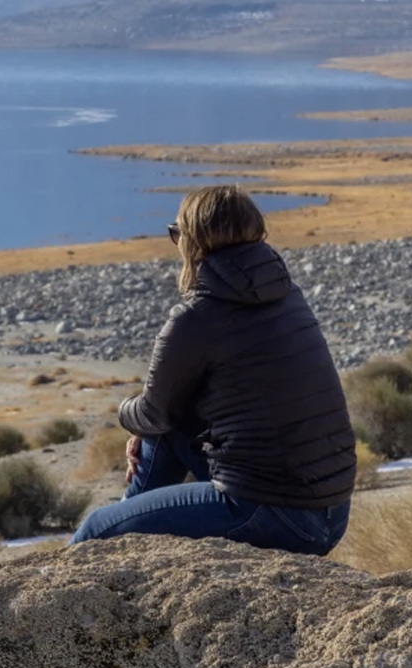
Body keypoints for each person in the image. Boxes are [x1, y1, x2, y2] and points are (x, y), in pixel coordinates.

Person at [70, 184, 355, 554]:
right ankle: (131, 522)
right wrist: (156, 419)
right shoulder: (286, 295)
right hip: (331, 513)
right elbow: (175, 410)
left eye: (177, 235)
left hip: (278, 515)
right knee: (170, 422)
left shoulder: (195, 318)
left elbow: (152, 412)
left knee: (95, 528)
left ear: (194, 242)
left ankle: (107, 546)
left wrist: (127, 415)